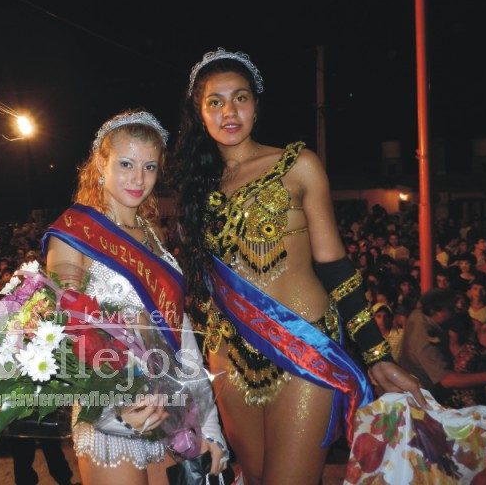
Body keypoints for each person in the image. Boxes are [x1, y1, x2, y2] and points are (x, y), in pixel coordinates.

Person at [171, 48, 423, 485]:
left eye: (240, 98)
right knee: (253, 478)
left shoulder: (298, 164)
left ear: (256, 106)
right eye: (215, 102)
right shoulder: (195, 187)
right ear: (200, 113)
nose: (229, 111)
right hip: (229, 358)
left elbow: (335, 266)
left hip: (302, 349)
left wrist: (377, 355)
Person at [42, 110, 227, 485]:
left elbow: (180, 331)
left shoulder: (153, 234)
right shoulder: (74, 232)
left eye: (150, 167)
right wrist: (113, 412)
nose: (138, 179)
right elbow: (60, 332)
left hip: (171, 408)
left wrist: (209, 424)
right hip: (113, 414)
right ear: (101, 163)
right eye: (126, 164)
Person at [401, 288, 486, 407]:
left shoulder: (418, 314)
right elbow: (447, 380)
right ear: (434, 311)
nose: (453, 312)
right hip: (424, 398)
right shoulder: (424, 336)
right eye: (450, 309)